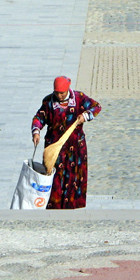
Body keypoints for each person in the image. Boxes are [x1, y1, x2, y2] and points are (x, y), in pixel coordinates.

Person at [31, 76, 102, 209]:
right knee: (55, 178)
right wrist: (36, 131)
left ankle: (70, 208)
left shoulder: (79, 98)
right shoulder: (48, 102)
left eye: (62, 93)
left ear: (68, 89)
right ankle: (55, 207)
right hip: (55, 149)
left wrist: (85, 116)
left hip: (75, 148)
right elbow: (39, 117)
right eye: (56, 92)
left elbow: (96, 107)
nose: (59, 95)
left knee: (73, 177)